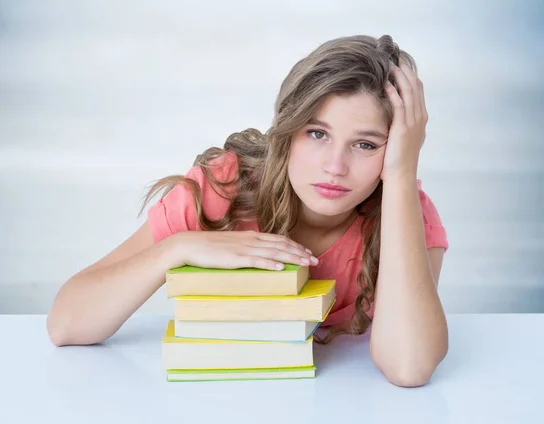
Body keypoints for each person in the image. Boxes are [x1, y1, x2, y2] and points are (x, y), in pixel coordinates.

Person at [46, 34, 449, 387]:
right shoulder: (227, 186)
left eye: (365, 144)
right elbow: (66, 323)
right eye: (317, 133)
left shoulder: (406, 215)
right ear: (287, 131)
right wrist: (177, 248)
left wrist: (400, 174)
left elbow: (409, 366)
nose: (335, 166)